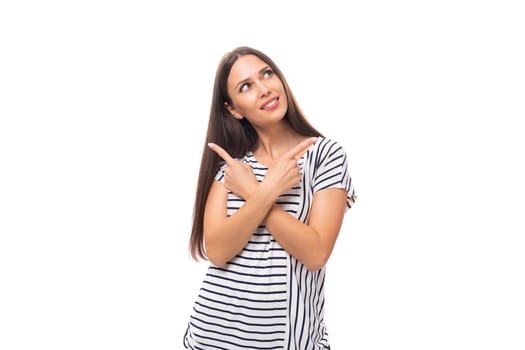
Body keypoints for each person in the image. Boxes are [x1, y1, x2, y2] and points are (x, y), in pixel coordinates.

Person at [183, 46, 356, 349]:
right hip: (211, 336)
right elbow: (218, 252)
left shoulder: (325, 156)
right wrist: (265, 191)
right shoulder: (233, 168)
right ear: (233, 108)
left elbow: (316, 254)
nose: (264, 89)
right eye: (246, 86)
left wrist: (255, 192)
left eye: (267, 74)